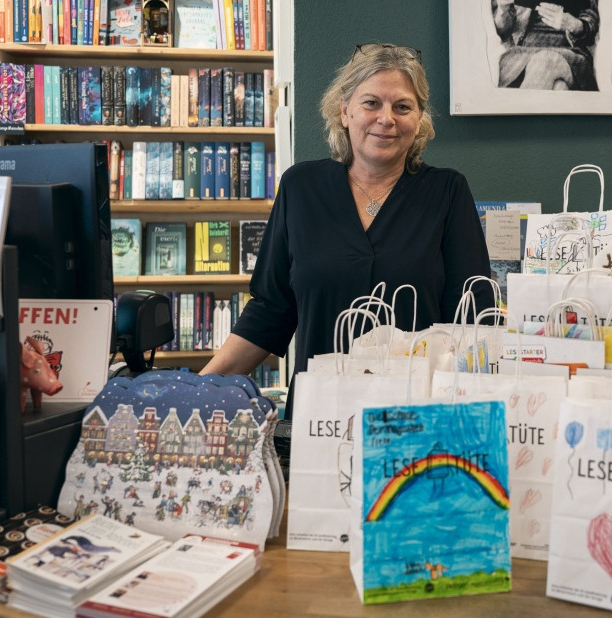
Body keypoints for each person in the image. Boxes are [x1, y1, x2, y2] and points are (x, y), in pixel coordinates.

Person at [201, 43, 493, 402]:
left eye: (403, 107)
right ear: (344, 111)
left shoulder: (447, 192)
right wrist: (198, 389)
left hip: (415, 416)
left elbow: (473, 321)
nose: (386, 118)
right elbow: (269, 312)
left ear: (419, 120)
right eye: (371, 103)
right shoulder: (301, 187)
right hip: (319, 415)